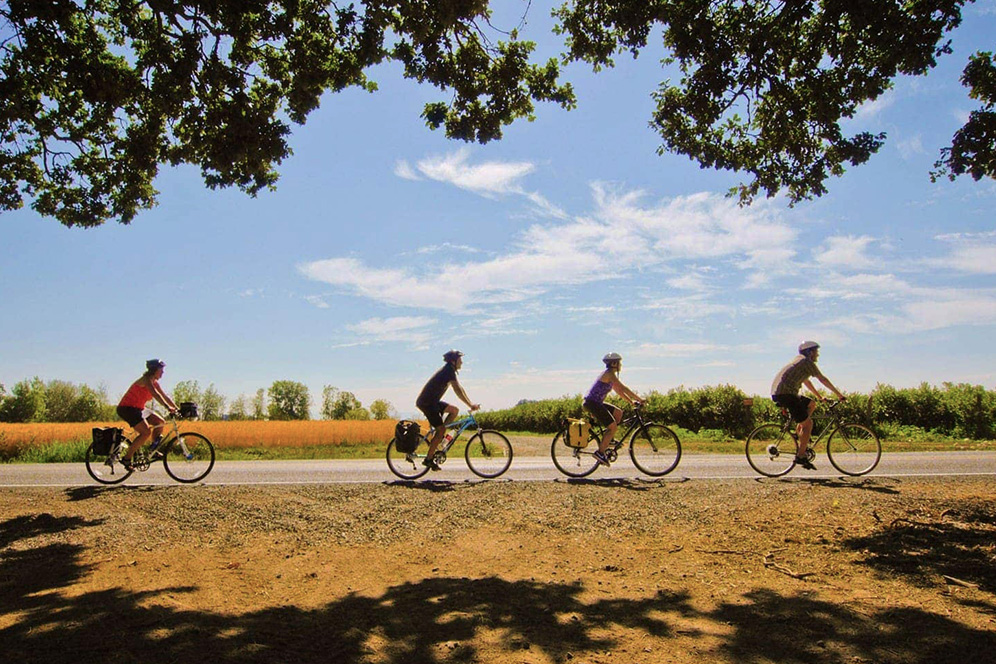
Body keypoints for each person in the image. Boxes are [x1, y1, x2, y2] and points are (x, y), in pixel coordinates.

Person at [770, 341, 847, 470]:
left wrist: (819, 397)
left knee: (812, 404)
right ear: (809, 352)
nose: (817, 355)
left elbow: (806, 382)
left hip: (784, 394)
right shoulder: (807, 362)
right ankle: (801, 456)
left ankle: (800, 431)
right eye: (816, 352)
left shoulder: (800, 362)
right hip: (786, 395)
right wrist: (839, 395)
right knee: (808, 424)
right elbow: (822, 379)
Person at [415, 350, 480, 471]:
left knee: (454, 410)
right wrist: (470, 404)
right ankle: (428, 459)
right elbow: (457, 390)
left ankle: (440, 437)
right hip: (427, 403)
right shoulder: (448, 371)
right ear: (453, 361)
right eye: (460, 359)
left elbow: (460, 388)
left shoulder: (449, 370)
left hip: (432, 402)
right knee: (441, 430)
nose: (462, 362)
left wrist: (470, 403)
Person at [115, 359, 179, 470]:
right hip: (127, 409)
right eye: (161, 370)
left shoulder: (155, 383)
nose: (163, 372)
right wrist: (167, 407)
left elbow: (165, 396)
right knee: (145, 432)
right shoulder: (146, 380)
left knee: (160, 422)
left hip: (139, 408)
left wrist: (177, 409)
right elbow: (156, 394)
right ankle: (127, 458)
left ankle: (152, 451)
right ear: (154, 370)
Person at [583, 352, 643, 467]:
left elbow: (619, 391)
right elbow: (623, 388)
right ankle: (600, 453)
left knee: (618, 413)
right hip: (592, 403)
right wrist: (640, 399)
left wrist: (631, 402)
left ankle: (609, 440)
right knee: (612, 427)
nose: (621, 365)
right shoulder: (609, 374)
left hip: (595, 403)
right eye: (619, 363)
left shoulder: (610, 375)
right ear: (614, 363)